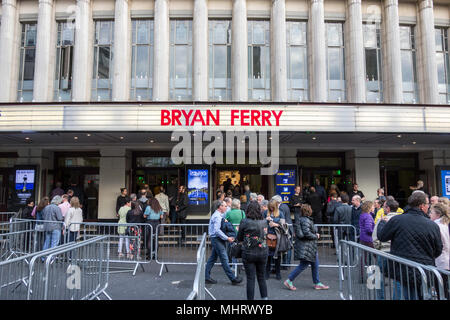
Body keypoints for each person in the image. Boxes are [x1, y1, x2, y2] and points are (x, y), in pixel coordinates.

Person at [377, 191, 443, 300]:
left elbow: (382, 237)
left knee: (403, 294)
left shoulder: (397, 220)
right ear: (421, 206)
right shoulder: (432, 225)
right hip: (423, 268)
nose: (428, 207)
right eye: (427, 204)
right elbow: (438, 249)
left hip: (402, 267)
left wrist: (382, 223)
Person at [284, 204, 329, 291]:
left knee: (315, 264)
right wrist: (316, 235)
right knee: (303, 265)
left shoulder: (302, 219)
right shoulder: (306, 220)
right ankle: (289, 280)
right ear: (309, 211)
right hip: (307, 247)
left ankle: (317, 283)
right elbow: (306, 233)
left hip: (308, 247)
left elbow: (303, 233)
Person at [237, 201, 269, 300]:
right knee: (261, 277)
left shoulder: (244, 221)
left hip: (248, 252)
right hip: (263, 252)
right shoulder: (264, 222)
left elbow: (239, 238)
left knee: (250, 279)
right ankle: (265, 299)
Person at [205, 200, 243, 285]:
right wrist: (227, 238)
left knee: (213, 258)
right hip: (217, 239)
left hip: (216, 239)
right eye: (225, 206)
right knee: (224, 259)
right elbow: (217, 230)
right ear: (220, 207)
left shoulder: (218, 215)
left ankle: (206, 277)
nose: (226, 207)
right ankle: (233, 279)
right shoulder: (217, 217)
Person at [430, 203, 450, 299]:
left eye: (431, 213)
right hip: (445, 259)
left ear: (437, 214)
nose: (430, 215)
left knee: (441, 289)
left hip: (440, 260)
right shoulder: (444, 224)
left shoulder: (437, 226)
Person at [265, 199, 284, 280]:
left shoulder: (281, 213)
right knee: (268, 256)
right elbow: (261, 223)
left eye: (272, 207)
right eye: (270, 207)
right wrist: (266, 221)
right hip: (267, 237)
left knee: (277, 256)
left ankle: (278, 273)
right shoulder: (266, 212)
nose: (271, 209)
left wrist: (276, 224)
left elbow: (284, 226)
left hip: (277, 238)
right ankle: (267, 273)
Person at [272, 195, 293, 269]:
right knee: (287, 246)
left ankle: (286, 264)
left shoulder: (281, 208)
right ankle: (286, 264)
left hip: (286, 229)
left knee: (286, 246)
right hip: (287, 228)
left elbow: (281, 220)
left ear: (277, 202)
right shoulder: (285, 206)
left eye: (273, 201)